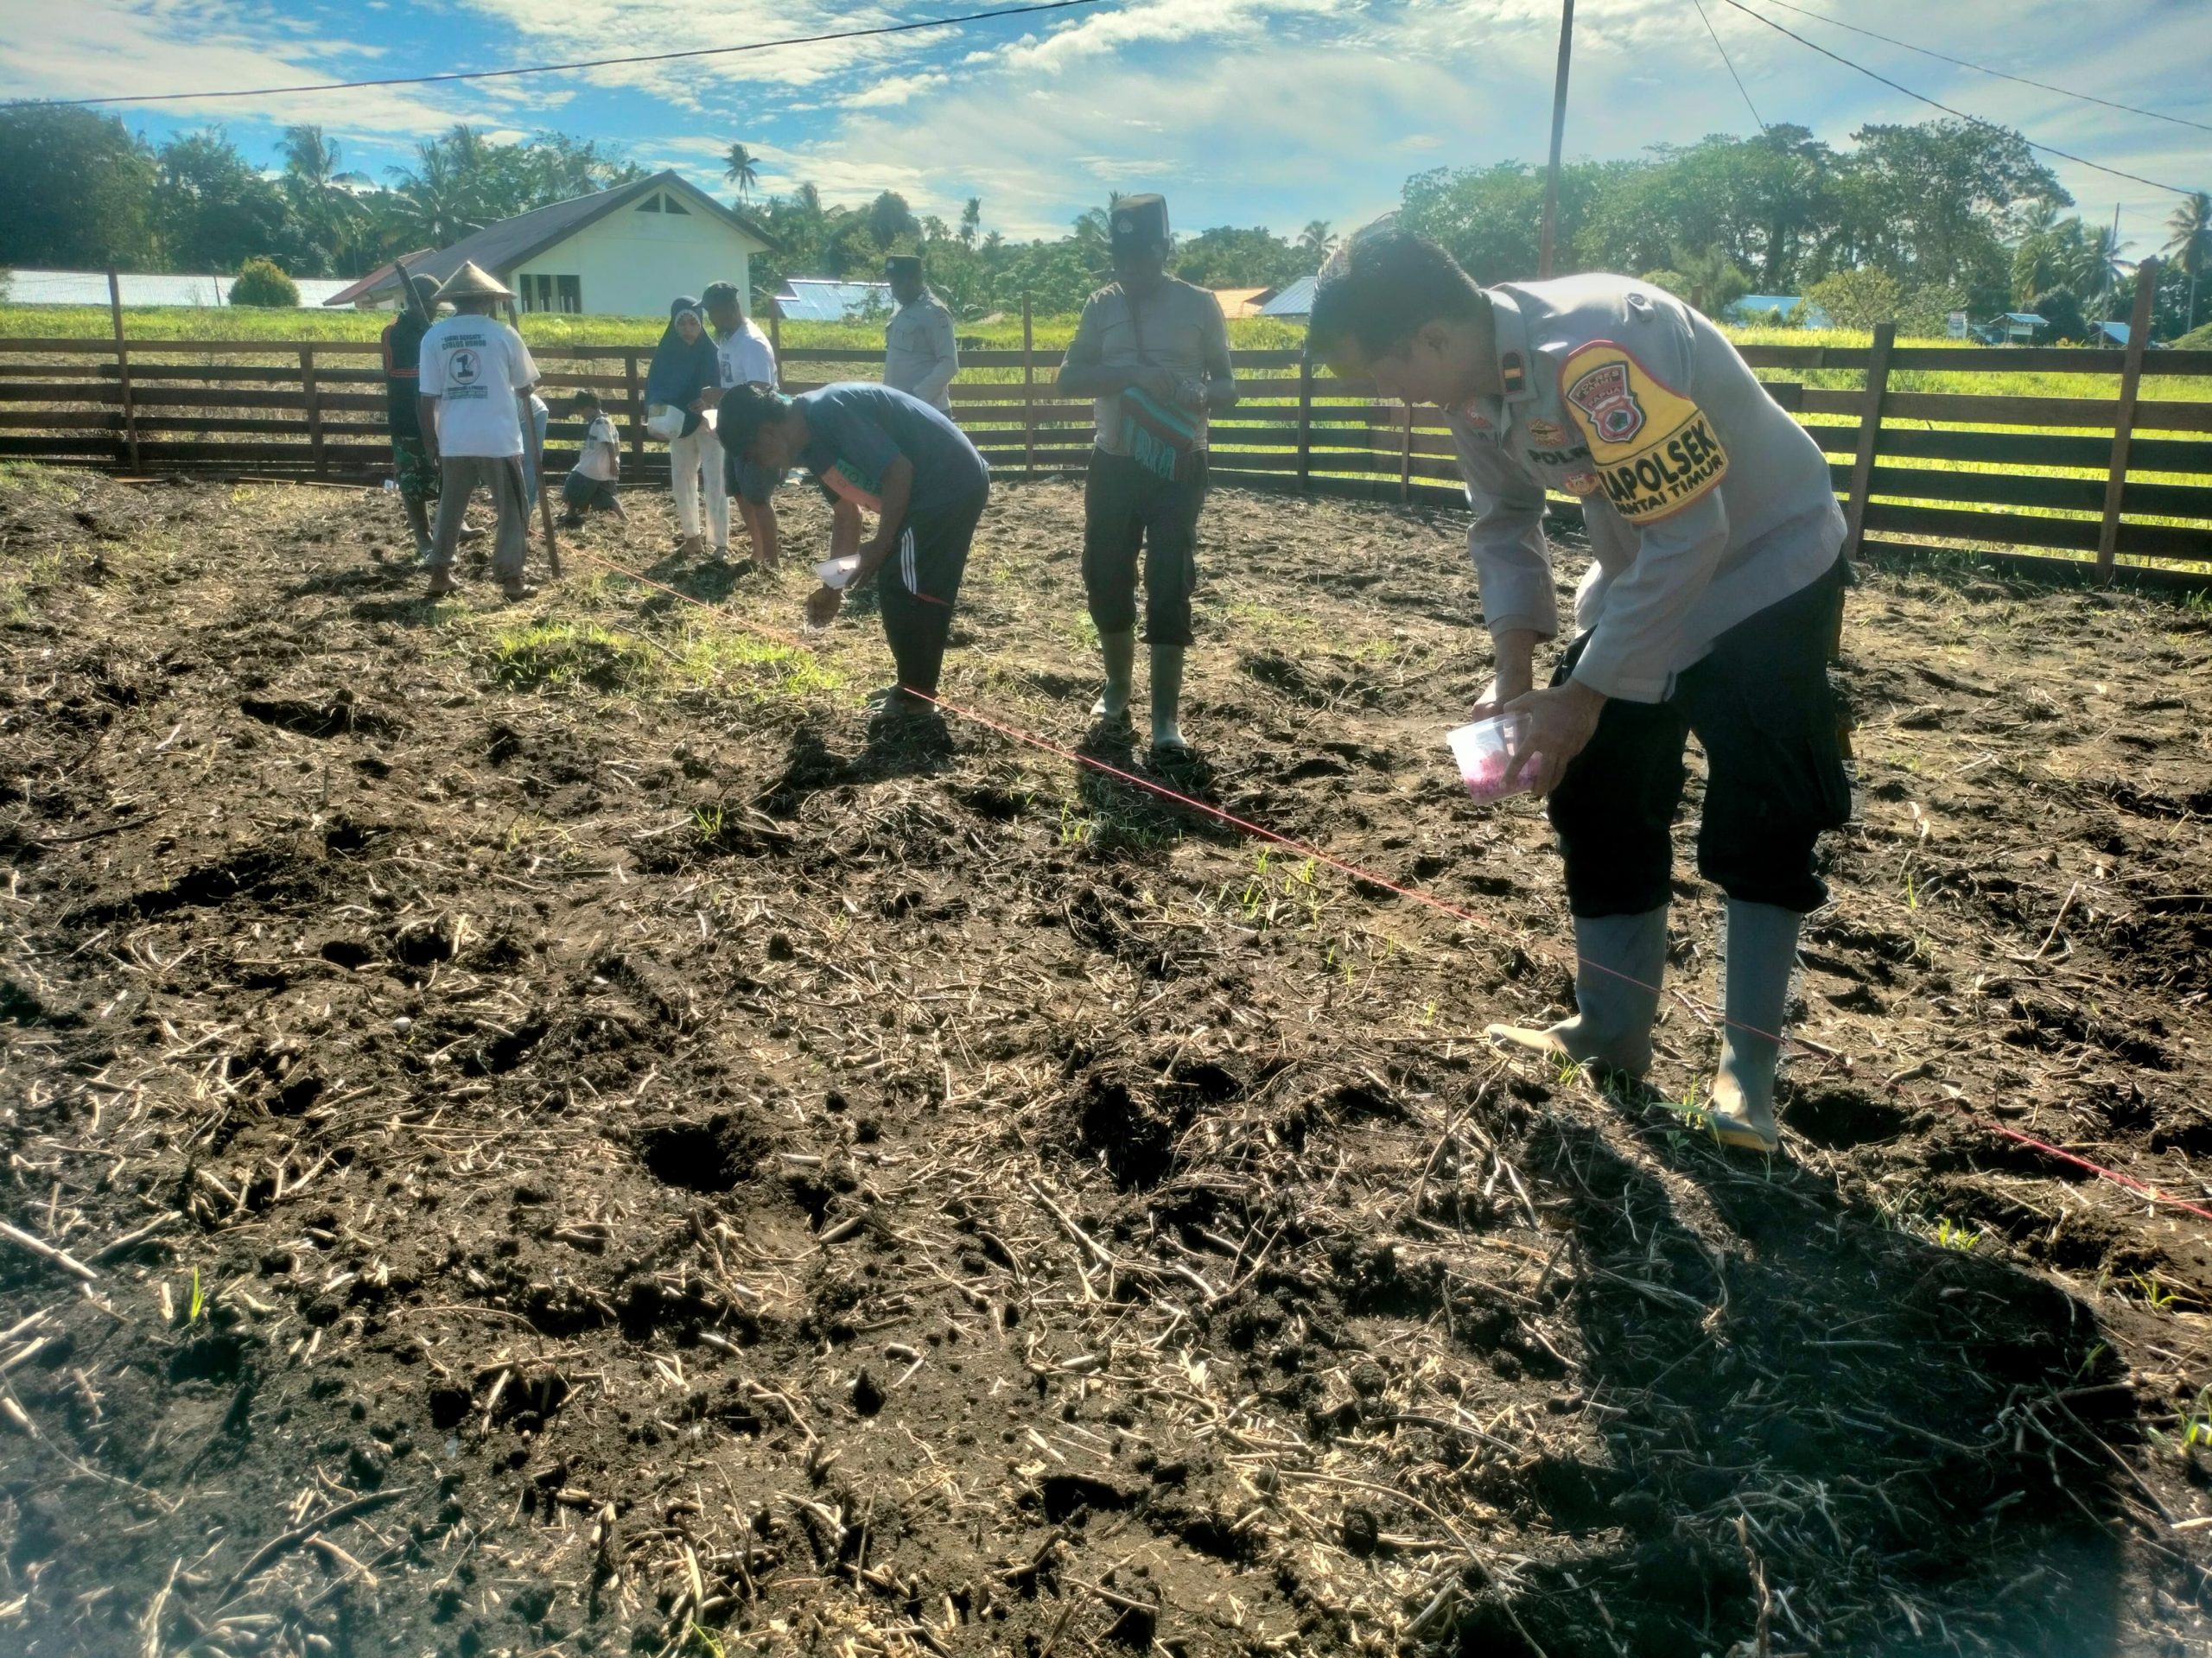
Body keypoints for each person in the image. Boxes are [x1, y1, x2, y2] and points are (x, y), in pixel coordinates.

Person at [1306, 219, 1853, 1155]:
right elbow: (1503, 521)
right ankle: (1611, 1028)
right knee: (1596, 788)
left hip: (1767, 566)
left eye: (1384, 377)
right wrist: (1514, 677)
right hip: (1647, 570)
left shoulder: (1597, 356)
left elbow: (1697, 534)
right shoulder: (1472, 394)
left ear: (1429, 341)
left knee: (1765, 805)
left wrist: (1585, 693)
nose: (1390, 401)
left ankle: (1746, 1075)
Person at [1058, 194, 1236, 753]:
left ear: (1165, 248)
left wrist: (1199, 392)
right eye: (1121, 256)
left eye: (1141, 255)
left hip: (1178, 468)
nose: (1130, 267)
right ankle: (1115, 688)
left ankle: (1165, 718)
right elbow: (1068, 378)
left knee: (1168, 576)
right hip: (1113, 462)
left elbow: (1229, 386)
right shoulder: (1100, 305)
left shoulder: (1200, 305)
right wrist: (1130, 373)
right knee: (1105, 571)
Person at [717, 382, 988, 719]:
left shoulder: (829, 412)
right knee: (899, 578)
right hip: (927, 491)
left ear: (768, 433)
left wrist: (883, 543)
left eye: (754, 456)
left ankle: (916, 699)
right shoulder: (810, 445)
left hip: (947, 481)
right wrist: (833, 589)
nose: (761, 466)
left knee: (904, 581)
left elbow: (898, 470)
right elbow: (847, 515)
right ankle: (910, 690)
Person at [415, 261, 543, 602]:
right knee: (513, 510)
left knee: (450, 507)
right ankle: (511, 580)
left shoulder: (434, 336)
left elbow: (426, 397)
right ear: (488, 300)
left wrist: (431, 441)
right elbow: (526, 386)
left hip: (454, 438)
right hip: (498, 438)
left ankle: (440, 574)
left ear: (454, 301)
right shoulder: (503, 334)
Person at [699, 281, 783, 569]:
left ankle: (772, 562)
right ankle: (757, 554)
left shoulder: (752, 343)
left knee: (757, 495)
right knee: (739, 491)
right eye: (709, 312)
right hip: (734, 427)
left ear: (732, 308)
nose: (711, 318)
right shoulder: (727, 339)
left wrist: (719, 395)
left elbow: (760, 387)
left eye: (715, 312)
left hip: (757, 430)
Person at [645, 296, 729, 561]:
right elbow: (654, 388)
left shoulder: (713, 353)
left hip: (708, 423)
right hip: (677, 424)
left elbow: (724, 384)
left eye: (692, 322)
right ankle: (692, 537)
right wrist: (659, 409)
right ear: (674, 324)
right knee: (682, 479)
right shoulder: (666, 353)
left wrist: (707, 401)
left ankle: (719, 543)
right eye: (681, 323)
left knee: (716, 479)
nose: (687, 329)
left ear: (701, 323)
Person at [380, 274, 444, 560]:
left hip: (438, 413)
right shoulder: (394, 332)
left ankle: (452, 522)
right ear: (413, 302)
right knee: (412, 477)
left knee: (447, 469)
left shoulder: (435, 331)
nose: (432, 310)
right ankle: (423, 535)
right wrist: (429, 375)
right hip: (406, 413)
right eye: (429, 304)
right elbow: (395, 372)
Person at [882, 254, 958, 413]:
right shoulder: (901, 311)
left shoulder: (935, 313)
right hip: (898, 407)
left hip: (927, 410)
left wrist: (916, 397)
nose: (894, 289)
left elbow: (949, 364)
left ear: (916, 279)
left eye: (899, 283)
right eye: (892, 283)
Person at [560, 389, 626, 526]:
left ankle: (571, 513)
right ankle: (624, 518)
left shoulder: (600, 423)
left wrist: (613, 464)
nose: (582, 414)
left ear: (590, 408)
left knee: (572, 486)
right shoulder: (608, 422)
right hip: (603, 471)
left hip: (591, 469)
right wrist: (614, 465)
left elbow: (609, 444)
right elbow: (616, 445)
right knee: (604, 496)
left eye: (582, 411)